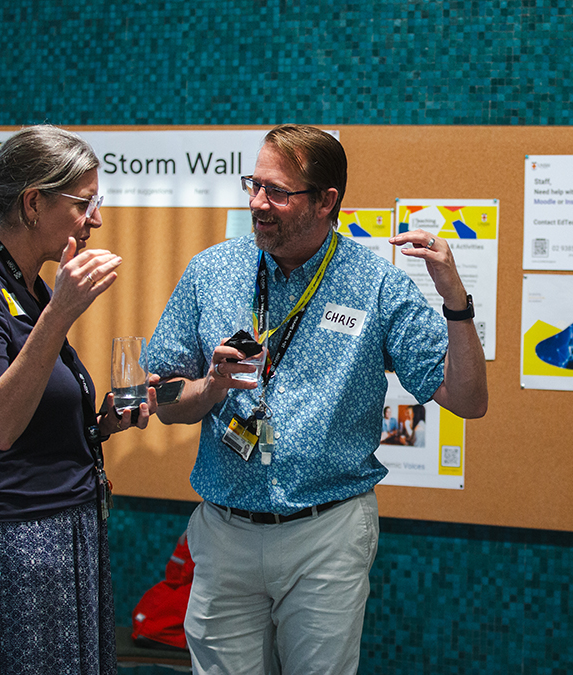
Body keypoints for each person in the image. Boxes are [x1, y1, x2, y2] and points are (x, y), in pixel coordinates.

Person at [143, 123, 488, 674]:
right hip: (224, 532)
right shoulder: (211, 272)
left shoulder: (375, 283)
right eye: (253, 185)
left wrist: (455, 299)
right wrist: (209, 387)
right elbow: (162, 395)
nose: (258, 203)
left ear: (326, 201)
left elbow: (467, 399)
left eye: (277, 191)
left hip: (325, 534)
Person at [0, 124, 158, 675]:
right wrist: (61, 316)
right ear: (34, 203)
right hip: (18, 541)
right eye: (85, 203)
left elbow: (34, 413)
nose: (96, 219)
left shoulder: (32, 289)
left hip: (66, 529)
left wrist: (100, 425)